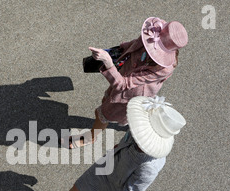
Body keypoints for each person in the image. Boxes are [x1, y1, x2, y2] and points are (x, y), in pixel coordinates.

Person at [28, 95, 186, 191]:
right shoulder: (141, 134)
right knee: (82, 185)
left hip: (121, 190)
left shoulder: (149, 167)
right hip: (111, 165)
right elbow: (127, 139)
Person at [65, 17, 188, 149]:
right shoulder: (150, 37)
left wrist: (108, 63)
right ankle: (133, 126)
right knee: (122, 110)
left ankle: (90, 138)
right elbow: (134, 44)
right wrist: (118, 49)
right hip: (123, 79)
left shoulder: (163, 68)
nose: (147, 44)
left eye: (153, 48)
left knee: (102, 114)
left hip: (129, 95)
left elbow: (123, 85)